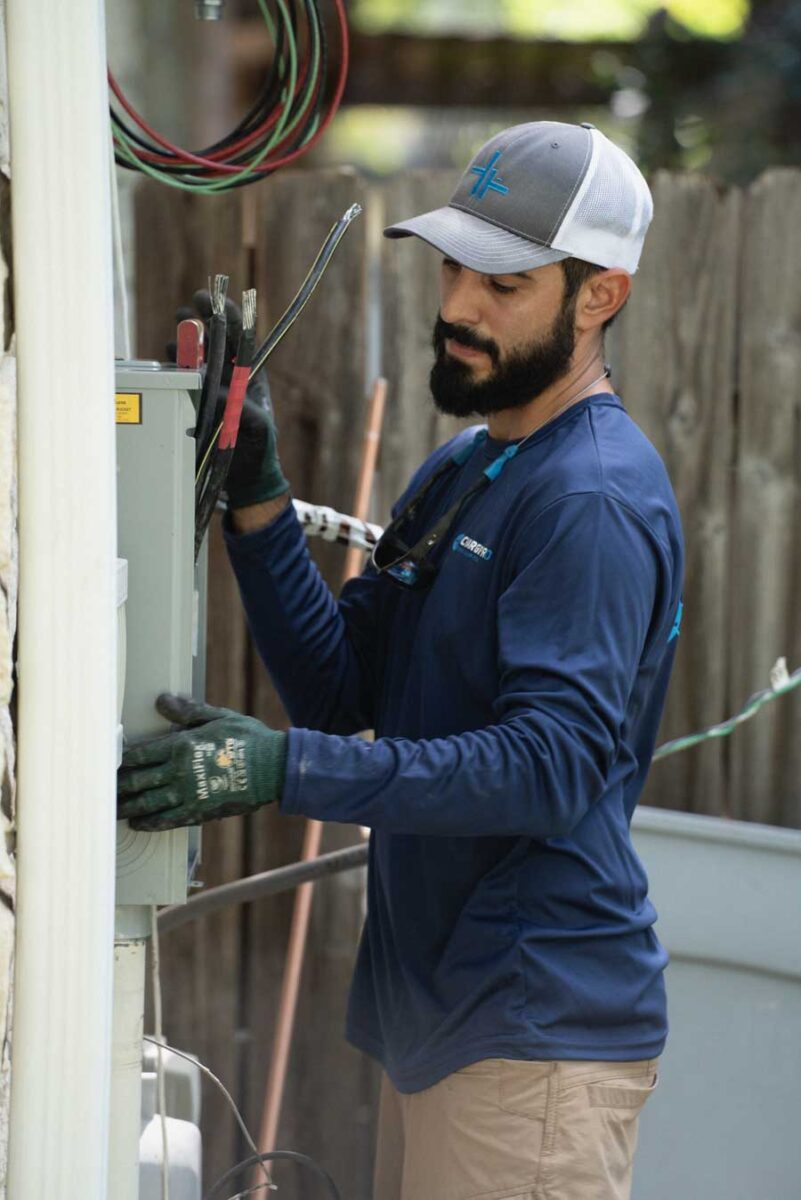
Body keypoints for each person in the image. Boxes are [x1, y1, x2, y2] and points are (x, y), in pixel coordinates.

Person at [119, 121, 684, 1200]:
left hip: (533, 1042)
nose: (460, 306)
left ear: (599, 295)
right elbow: (343, 688)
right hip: (449, 1027)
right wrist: (257, 496)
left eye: (504, 283)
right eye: (455, 266)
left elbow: (550, 769)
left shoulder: (593, 498)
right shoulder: (474, 465)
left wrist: (284, 770)